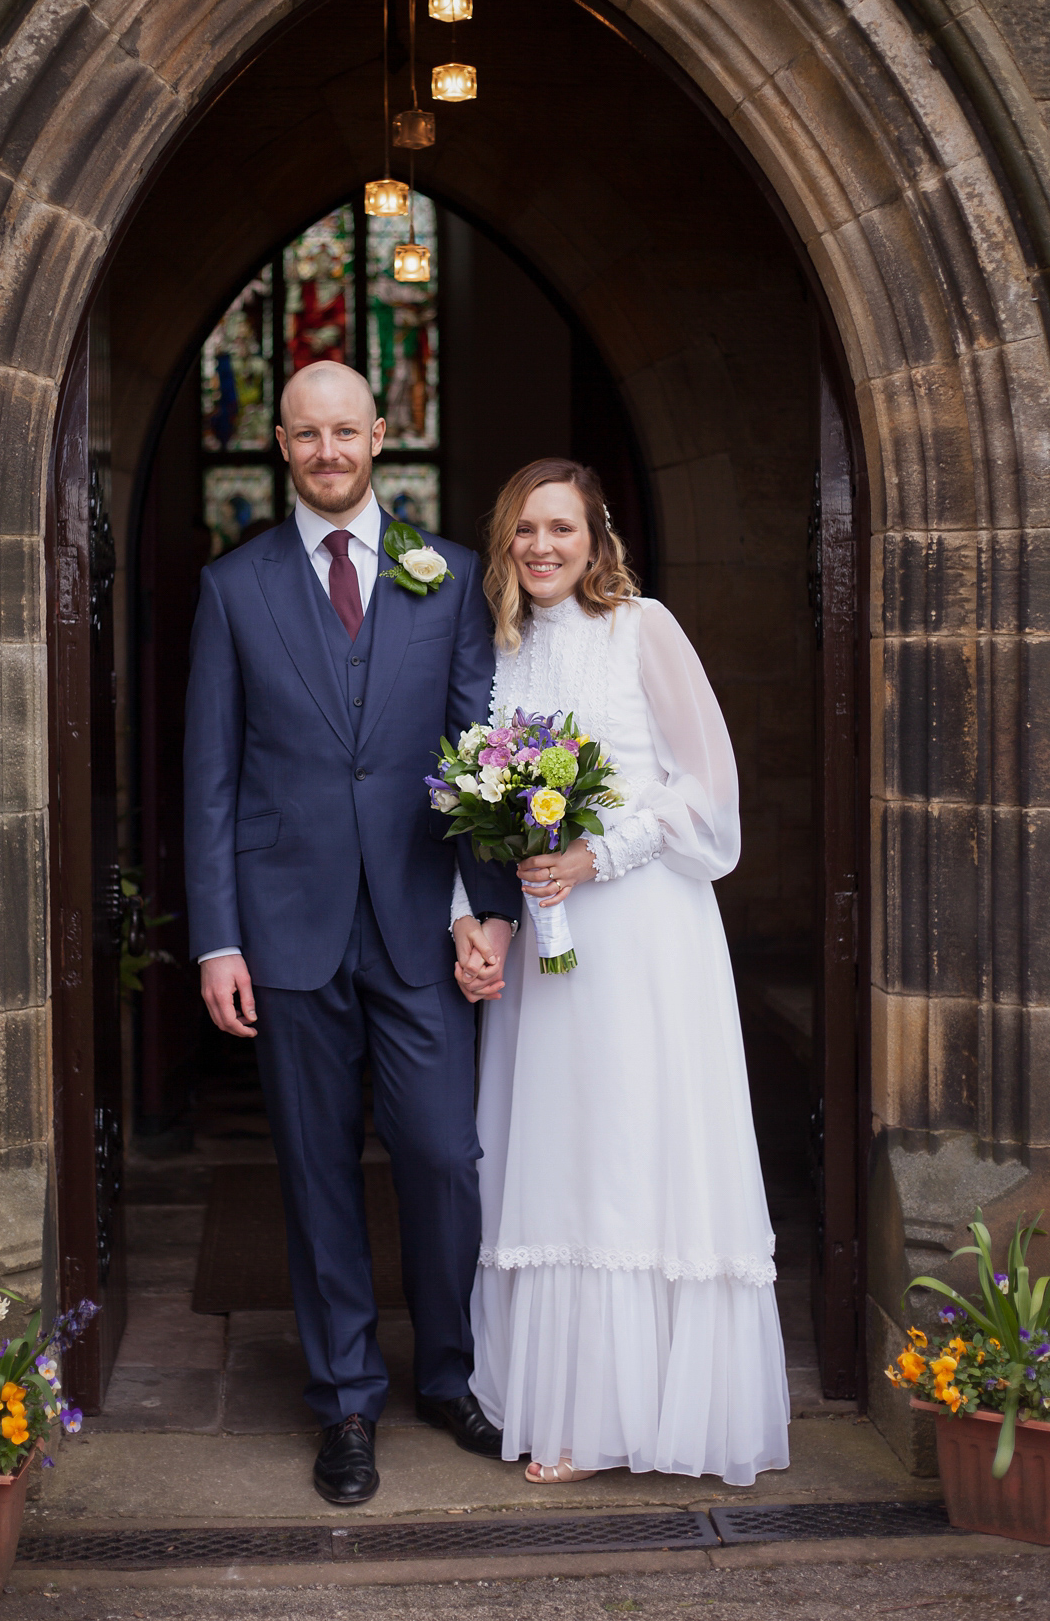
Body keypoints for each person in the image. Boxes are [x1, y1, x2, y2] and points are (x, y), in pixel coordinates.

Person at [184, 362, 520, 1505]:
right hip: (287, 931)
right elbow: (212, 781)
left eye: (347, 430)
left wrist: (489, 911)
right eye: (307, 434)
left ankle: (448, 1372)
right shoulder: (234, 588)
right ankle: (345, 1402)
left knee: (441, 1154)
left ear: (382, 434)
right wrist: (216, 939)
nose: (329, 451)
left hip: (424, 922)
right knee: (318, 1169)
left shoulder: (453, 576)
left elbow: (479, 760)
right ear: (281, 444)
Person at [451, 458, 790, 1486]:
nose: (542, 547)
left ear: (597, 540)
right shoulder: (497, 651)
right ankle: (573, 1405)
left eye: (562, 528)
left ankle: (647, 1409)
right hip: (549, 949)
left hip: (644, 931)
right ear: (505, 545)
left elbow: (711, 795)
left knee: (639, 1144)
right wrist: (478, 914)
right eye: (524, 531)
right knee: (558, 1146)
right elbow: (471, 812)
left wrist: (595, 855)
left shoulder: (647, 628)